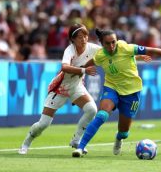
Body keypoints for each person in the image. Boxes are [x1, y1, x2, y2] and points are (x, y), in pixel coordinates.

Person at [72, 28, 161, 157]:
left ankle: (119, 139)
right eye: (107, 43)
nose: (111, 46)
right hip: (112, 87)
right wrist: (76, 77)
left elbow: (152, 50)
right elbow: (86, 66)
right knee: (102, 115)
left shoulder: (125, 48)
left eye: (113, 42)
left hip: (132, 91)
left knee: (124, 131)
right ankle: (80, 147)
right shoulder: (100, 56)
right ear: (102, 44)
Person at [18, 24, 101, 154]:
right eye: (79, 37)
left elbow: (111, 52)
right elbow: (65, 67)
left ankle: (76, 140)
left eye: (85, 36)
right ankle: (26, 142)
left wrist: (136, 56)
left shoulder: (93, 48)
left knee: (92, 109)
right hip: (60, 88)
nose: (83, 39)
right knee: (43, 124)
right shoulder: (70, 50)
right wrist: (84, 70)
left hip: (77, 86)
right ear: (72, 39)